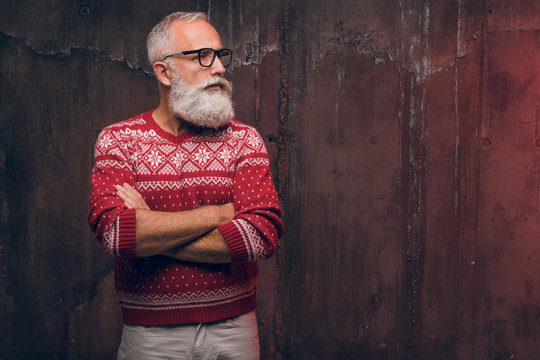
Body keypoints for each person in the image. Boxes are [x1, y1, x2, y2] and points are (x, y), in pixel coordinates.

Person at [88, 11, 284, 359]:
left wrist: (150, 225)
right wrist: (217, 214)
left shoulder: (244, 140)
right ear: (164, 72)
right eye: (202, 56)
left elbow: (259, 235)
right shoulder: (119, 140)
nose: (220, 69)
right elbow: (116, 234)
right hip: (149, 335)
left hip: (233, 329)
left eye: (220, 55)